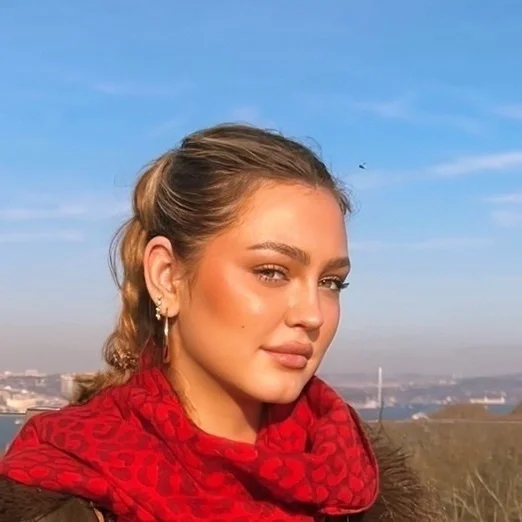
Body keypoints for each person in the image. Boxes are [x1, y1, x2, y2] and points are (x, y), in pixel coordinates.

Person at [0, 125, 442, 522]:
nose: (312, 314)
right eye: (272, 272)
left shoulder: (360, 484)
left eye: (331, 282)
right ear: (167, 277)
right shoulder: (62, 492)